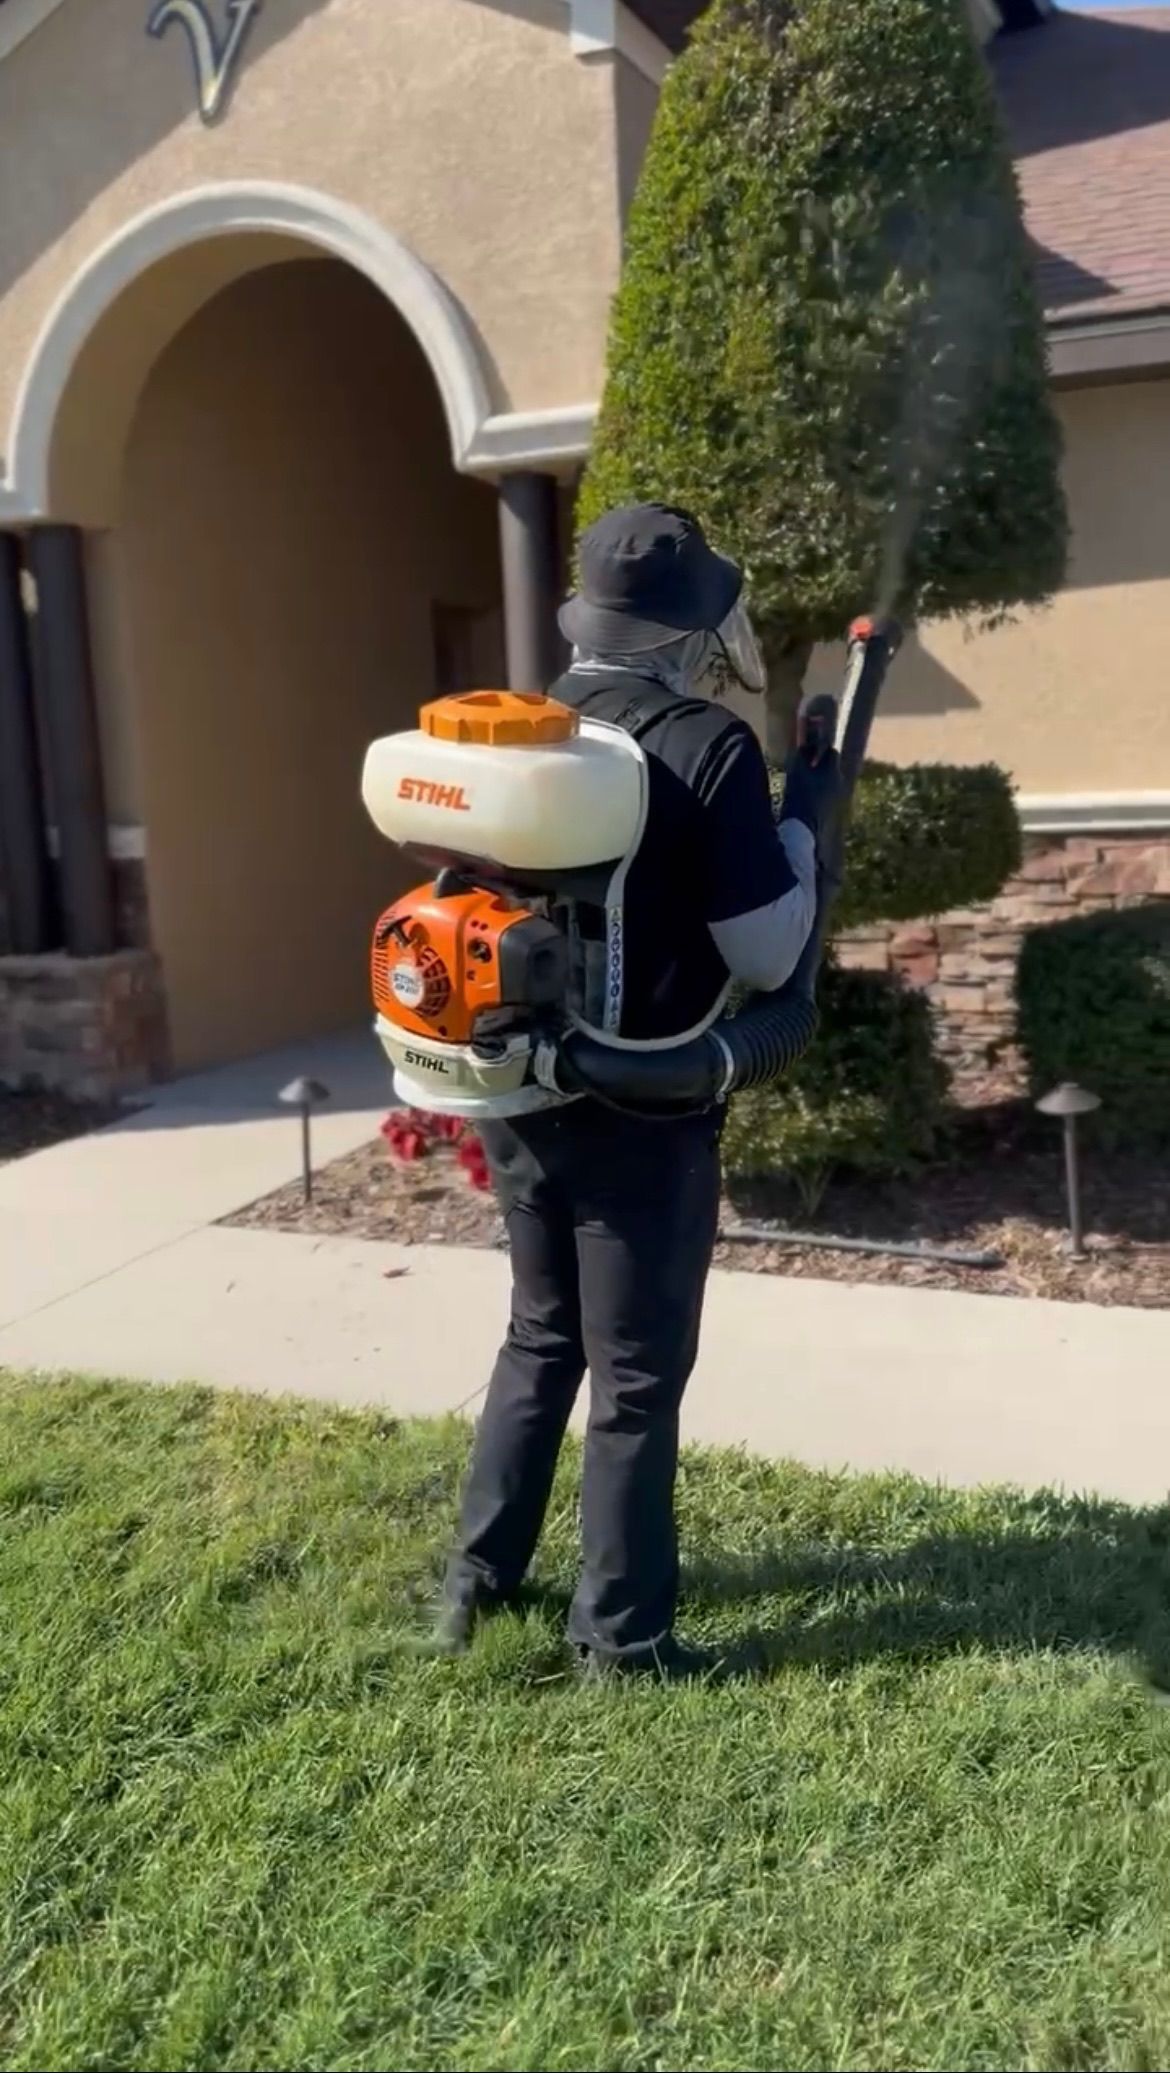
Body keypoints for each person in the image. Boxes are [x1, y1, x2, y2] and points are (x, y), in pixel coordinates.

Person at [440, 503, 838, 1680]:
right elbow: (764, 950)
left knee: (539, 1336)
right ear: (690, 633)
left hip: (520, 1086)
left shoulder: (530, 728)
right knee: (638, 1379)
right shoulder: (707, 745)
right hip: (647, 1108)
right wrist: (804, 839)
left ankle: (474, 1583)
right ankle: (624, 1640)